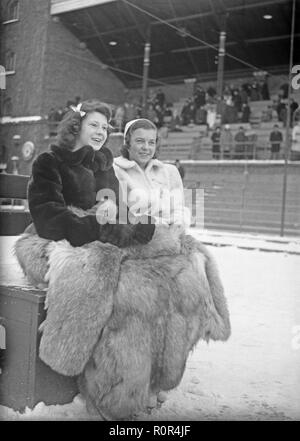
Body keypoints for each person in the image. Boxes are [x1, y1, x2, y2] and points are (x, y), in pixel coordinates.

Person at [27, 99, 155, 248]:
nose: (101, 132)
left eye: (104, 127)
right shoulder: (49, 161)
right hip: (59, 242)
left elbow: (121, 208)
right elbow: (47, 214)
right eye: (94, 125)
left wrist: (116, 210)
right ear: (76, 127)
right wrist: (98, 225)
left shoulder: (103, 165)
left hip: (101, 240)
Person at [113, 118, 190, 227]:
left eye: (151, 142)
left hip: (170, 238)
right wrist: (159, 225)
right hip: (135, 240)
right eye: (140, 141)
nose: (146, 147)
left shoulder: (168, 172)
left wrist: (177, 224)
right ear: (127, 142)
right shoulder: (115, 171)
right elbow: (119, 216)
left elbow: (179, 209)